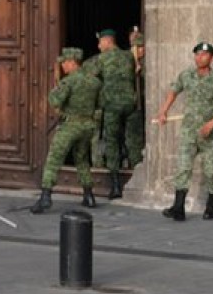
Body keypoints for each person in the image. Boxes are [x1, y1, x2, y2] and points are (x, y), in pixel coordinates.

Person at [154, 42, 213, 221]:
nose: (200, 58)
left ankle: (210, 207)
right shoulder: (186, 75)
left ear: (211, 58)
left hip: (210, 134)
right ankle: (178, 208)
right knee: (183, 168)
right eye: (197, 54)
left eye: (204, 55)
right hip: (189, 132)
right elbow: (173, 92)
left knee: (212, 171)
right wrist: (163, 111)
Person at [30, 47, 102, 214]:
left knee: (54, 159)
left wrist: (55, 87)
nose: (62, 66)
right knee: (82, 159)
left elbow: (55, 101)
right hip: (88, 126)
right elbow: (100, 105)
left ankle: (46, 196)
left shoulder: (69, 82)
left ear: (72, 62)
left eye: (64, 63)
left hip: (71, 126)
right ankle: (89, 195)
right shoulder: (95, 82)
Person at [93, 29, 136, 199]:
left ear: (107, 41)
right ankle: (133, 170)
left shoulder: (102, 59)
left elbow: (91, 78)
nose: (98, 46)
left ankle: (116, 185)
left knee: (111, 141)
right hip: (130, 105)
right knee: (130, 138)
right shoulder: (128, 56)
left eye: (100, 42)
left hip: (112, 106)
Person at [124, 29, 145, 168]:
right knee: (132, 139)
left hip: (145, 106)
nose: (138, 50)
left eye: (140, 47)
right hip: (132, 106)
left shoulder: (148, 63)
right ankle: (133, 164)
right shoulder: (126, 61)